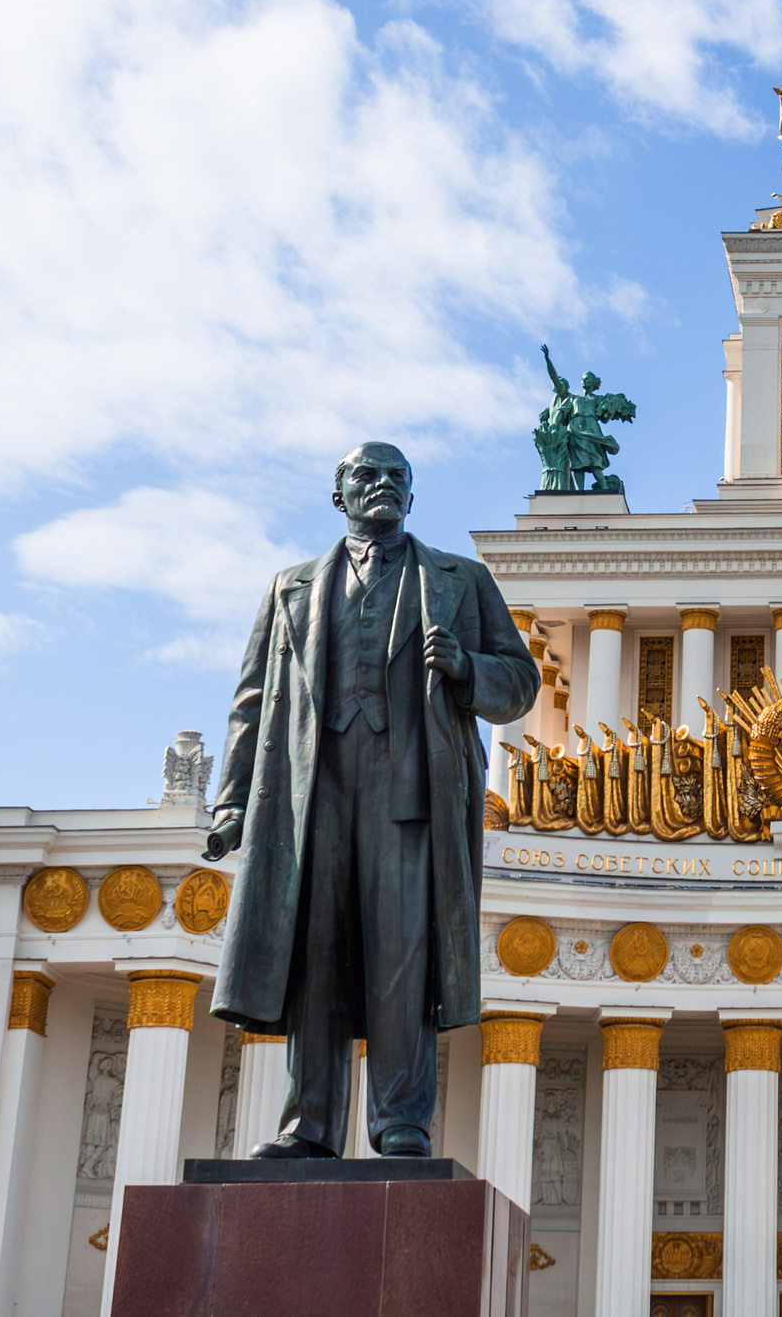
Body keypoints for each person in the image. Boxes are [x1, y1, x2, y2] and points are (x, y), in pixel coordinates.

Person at [201, 442, 540, 1157]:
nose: (382, 484)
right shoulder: (289, 586)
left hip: (409, 792)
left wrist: (465, 665)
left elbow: (520, 681)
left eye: (397, 477)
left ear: (412, 499)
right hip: (311, 790)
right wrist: (229, 802)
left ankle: (400, 1121)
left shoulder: (459, 579)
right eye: (366, 474)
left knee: (401, 957)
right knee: (316, 952)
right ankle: (309, 1125)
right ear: (340, 495)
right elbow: (252, 699)